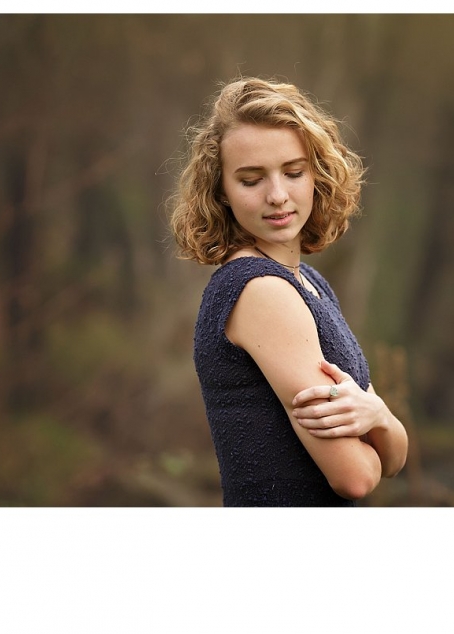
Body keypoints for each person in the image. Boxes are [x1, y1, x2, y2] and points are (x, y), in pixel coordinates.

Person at [169, 76, 408, 506]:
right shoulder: (261, 291)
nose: (277, 195)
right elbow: (356, 477)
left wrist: (379, 418)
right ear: (220, 191)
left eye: (293, 172)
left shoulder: (309, 283)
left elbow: (394, 460)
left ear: (316, 175)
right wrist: (382, 424)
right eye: (250, 180)